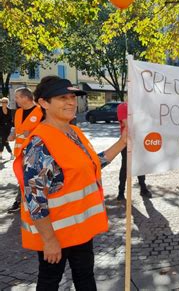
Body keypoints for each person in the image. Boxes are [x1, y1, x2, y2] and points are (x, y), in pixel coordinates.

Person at [13, 76, 126, 290]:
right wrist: (49, 240)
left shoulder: (74, 132)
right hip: (55, 233)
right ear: (43, 103)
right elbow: (34, 198)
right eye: (62, 97)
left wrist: (122, 142)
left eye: (72, 97)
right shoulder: (39, 144)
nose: (71, 102)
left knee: (85, 277)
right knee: (49, 282)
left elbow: (91, 164)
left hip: (80, 230)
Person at [6, 87, 43, 214]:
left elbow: (47, 129)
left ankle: (28, 202)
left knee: (31, 178)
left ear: (25, 97)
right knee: (21, 177)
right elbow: (15, 128)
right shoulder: (18, 112)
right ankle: (22, 202)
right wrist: (12, 134)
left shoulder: (41, 111)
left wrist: (33, 132)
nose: (15, 100)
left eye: (17, 97)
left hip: (35, 152)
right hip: (20, 152)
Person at [117, 101, 152, 200]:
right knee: (125, 167)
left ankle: (143, 188)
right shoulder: (123, 106)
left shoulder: (141, 106)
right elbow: (128, 124)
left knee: (141, 166)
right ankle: (121, 192)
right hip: (126, 142)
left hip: (140, 141)